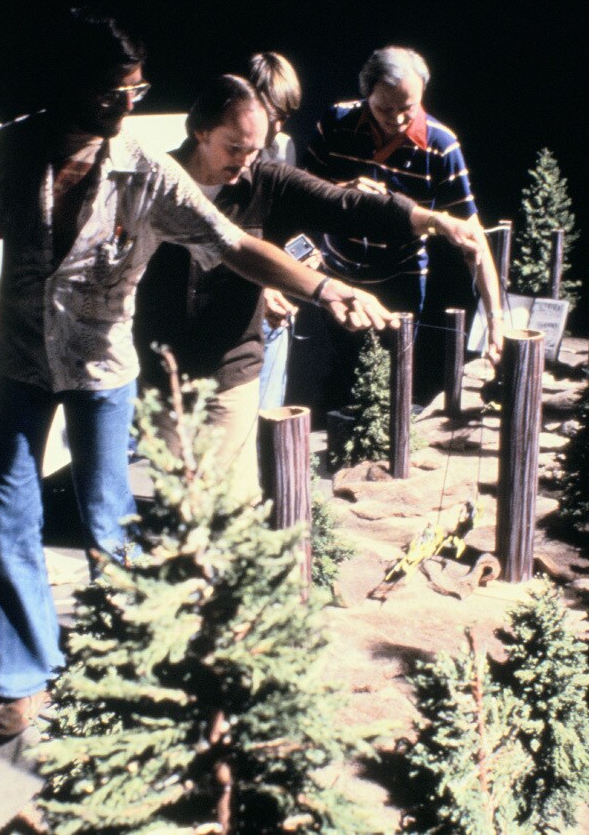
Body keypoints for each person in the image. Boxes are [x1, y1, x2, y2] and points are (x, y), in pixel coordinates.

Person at [0, 13, 395, 738]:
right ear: (72, 86)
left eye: (136, 91)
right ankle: (21, 678)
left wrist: (323, 288)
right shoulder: (15, 148)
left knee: (108, 520)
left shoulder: (149, 169)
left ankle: (127, 657)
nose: (126, 105)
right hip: (18, 363)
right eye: (112, 92)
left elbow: (236, 245)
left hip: (101, 368)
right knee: (13, 518)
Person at [133, 75, 499, 500]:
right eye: (234, 148)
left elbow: (346, 204)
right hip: (159, 369)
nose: (244, 163)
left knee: (229, 502)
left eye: (254, 151)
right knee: (176, 500)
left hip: (230, 369)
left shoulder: (266, 181)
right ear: (200, 131)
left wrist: (432, 220)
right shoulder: (155, 181)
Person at [303, 45, 504, 411]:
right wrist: (341, 194)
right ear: (367, 94)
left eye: (407, 108)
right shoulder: (336, 122)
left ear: (422, 94)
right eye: (384, 108)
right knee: (334, 386)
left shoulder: (442, 147)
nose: (396, 119)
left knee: (387, 391)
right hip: (336, 277)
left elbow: (472, 240)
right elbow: (297, 192)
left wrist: (496, 319)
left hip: (400, 283)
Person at [248, 52, 303, 410]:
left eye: (285, 117)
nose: (278, 126)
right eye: (272, 116)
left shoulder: (282, 147)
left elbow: (281, 221)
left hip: (269, 277)